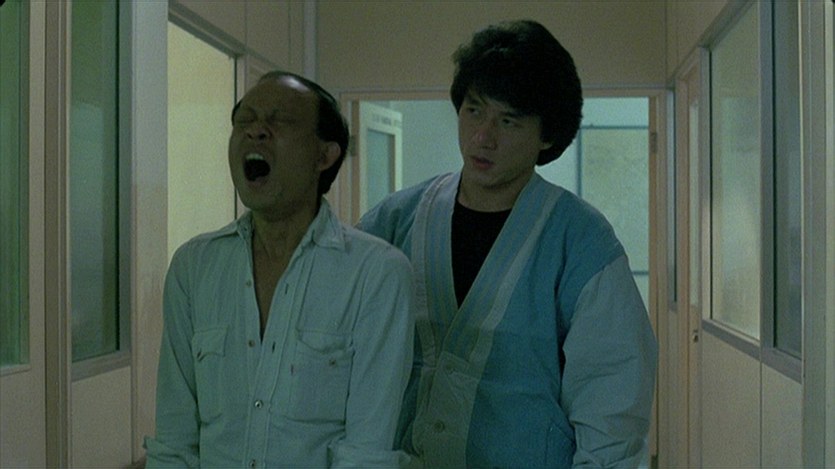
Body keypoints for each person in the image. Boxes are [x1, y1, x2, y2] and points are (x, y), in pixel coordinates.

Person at [358, 20, 657, 467]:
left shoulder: (581, 243)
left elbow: (612, 403)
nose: (483, 136)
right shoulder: (394, 221)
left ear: (546, 135)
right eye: (474, 110)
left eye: (508, 120)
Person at [145, 71, 415, 467]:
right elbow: (174, 443)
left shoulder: (376, 275)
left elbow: (366, 455)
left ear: (324, 156)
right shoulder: (194, 267)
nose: (255, 131)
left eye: (280, 121)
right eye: (245, 120)